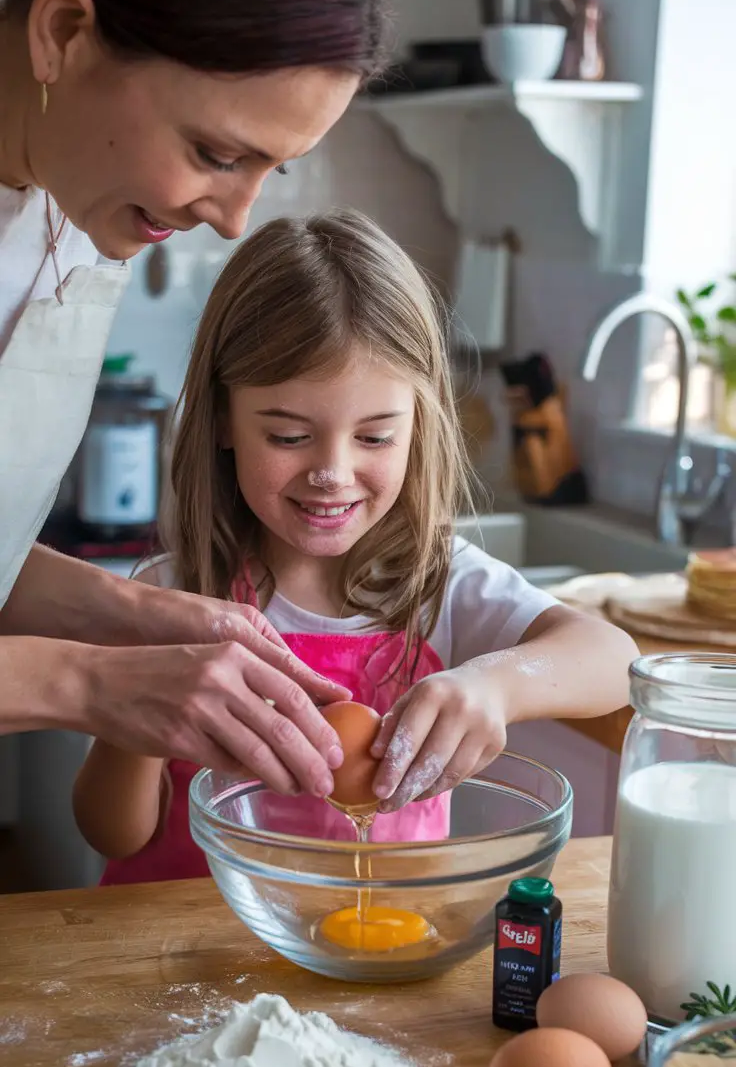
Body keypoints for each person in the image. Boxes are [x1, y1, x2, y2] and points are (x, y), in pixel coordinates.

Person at [72, 210, 638, 884]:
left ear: (417, 426)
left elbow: (615, 661)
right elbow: (112, 833)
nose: (331, 473)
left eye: (374, 437)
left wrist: (495, 686)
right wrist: (138, 719)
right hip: (182, 955)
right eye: (287, 436)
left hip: (368, 957)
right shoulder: (174, 596)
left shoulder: (440, 587)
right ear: (223, 419)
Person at [0, 0, 387, 803]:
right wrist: (86, 684)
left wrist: (143, 617)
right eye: (217, 154)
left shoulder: (76, 196)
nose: (233, 219)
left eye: (271, 168)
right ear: (62, 32)